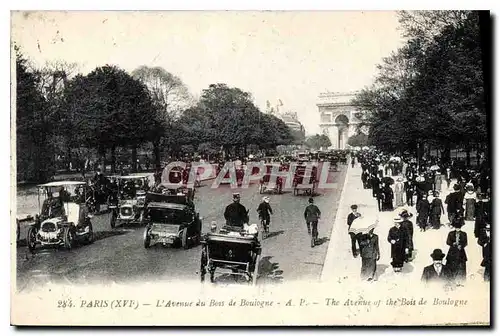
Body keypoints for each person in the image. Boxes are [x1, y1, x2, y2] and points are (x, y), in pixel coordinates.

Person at [446, 215, 468, 285]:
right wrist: (453, 243)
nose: (458, 229)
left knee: (461, 267)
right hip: (452, 252)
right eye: (456, 228)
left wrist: (461, 245)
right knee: (451, 267)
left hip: (461, 253)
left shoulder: (464, 234)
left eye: (459, 228)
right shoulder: (451, 233)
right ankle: (451, 281)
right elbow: (448, 242)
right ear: (455, 227)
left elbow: (465, 242)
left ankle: (461, 281)